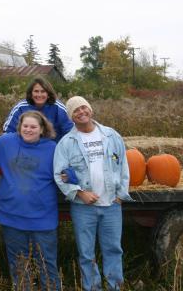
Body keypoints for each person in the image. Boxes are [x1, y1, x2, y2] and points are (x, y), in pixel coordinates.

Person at [53, 96, 133, 291]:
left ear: (90, 109)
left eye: (83, 108)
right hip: (83, 208)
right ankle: (92, 287)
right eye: (75, 111)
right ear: (71, 117)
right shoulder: (66, 143)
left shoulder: (111, 136)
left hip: (112, 205)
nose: (81, 112)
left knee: (113, 250)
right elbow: (59, 173)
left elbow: (123, 167)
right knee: (86, 254)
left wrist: (121, 194)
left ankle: (115, 286)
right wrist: (80, 193)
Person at [0, 111, 61, 290]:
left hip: (42, 217)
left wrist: (70, 175)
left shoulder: (52, 148)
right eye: (25, 126)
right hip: (11, 214)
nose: (28, 130)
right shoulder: (6, 142)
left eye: (33, 127)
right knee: (19, 265)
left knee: (47, 264)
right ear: (19, 127)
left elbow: (68, 169)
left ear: (42, 129)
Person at [3, 77, 73, 142]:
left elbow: (70, 131)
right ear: (31, 93)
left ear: (48, 94)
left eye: (43, 91)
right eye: (36, 91)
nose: (39, 95)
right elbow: (8, 131)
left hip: (52, 148)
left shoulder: (58, 107)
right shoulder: (21, 107)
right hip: (26, 147)